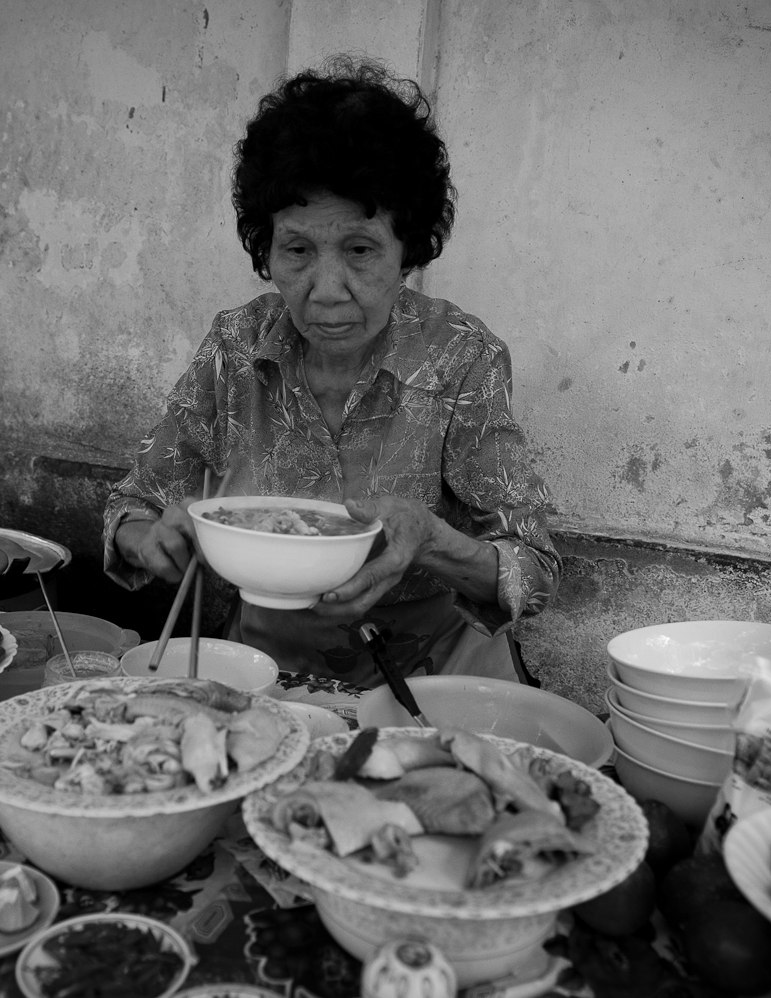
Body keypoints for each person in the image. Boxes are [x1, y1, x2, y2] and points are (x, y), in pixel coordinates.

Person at [103, 58, 559, 688]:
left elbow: (533, 570)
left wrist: (430, 539)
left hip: (435, 684)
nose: (325, 291)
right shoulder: (236, 349)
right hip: (264, 678)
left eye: (360, 250)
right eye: (297, 251)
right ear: (266, 248)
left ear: (410, 249)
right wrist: (149, 539)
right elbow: (132, 507)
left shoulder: (461, 359)